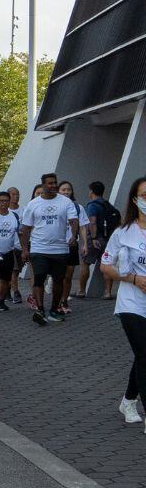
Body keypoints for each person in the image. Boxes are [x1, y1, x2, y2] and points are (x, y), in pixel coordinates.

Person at [101, 177, 146, 428]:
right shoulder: (123, 232)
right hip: (131, 301)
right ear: (135, 200)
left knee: (143, 355)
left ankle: (128, 400)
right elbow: (105, 266)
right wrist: (133, 278)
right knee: (144, 353)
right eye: (145, 195)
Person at [20, 172, 80, 326]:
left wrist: (73, 235)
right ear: (43, 185)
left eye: (55, 183)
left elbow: (73, 220)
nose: (53, 186)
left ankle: (54, 309)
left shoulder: (66, 202)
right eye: (50, 183)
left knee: (58, 280)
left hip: (60, 249)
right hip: (39, 248)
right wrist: (25, 249)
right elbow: (25, 229)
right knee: (39, 277)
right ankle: (40, 310)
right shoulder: (33, 204)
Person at [83, 181, 120, 300]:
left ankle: (81, 290)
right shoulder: (108, 205)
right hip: (108, 239)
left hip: (96, 238)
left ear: (92, 191)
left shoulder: (92, 205)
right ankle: (108, 292)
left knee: (85, 263)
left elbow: (92, 221)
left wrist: (93, 238)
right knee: (107, 264)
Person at [55, 181, 87, 314]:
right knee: (59, 276)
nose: (66, 192)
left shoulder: (78, 207)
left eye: (68, 190)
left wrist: (85, 243)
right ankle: (56, 302)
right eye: (63, 190)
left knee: (68, 275)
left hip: (72, 245)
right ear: (58, 191)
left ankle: (64, 301)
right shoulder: (54, 206)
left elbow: (83, 226)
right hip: (56, 246)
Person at [6, 186, 24, 302]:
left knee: (16, 271)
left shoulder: (24, 210)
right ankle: (16, 292)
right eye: (13, 194)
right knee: (14, 270)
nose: (16, 196)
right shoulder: (5, 212)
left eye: (17, 194)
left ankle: (7, 289)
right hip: (9, 246)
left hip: (21, 245)